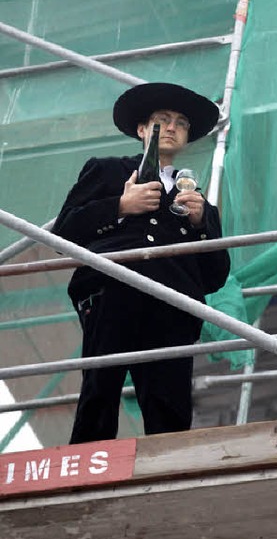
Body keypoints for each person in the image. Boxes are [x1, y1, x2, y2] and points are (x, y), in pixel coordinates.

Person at [53, 82, 231, 443]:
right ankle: (87, 465)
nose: (171, 127)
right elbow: (63, 233)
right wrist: (120, 206)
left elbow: (215, 276)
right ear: (141, 129)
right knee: (100, 389)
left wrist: (201, 226)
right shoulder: (106, 171)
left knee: (169, 400)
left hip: (172, 304)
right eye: (162, 119)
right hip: (111, 290)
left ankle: (168, 470)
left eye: (180, 123)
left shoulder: (197, 200)